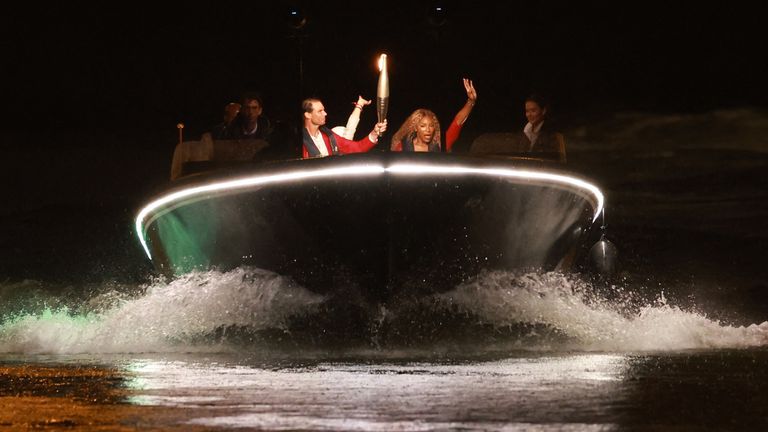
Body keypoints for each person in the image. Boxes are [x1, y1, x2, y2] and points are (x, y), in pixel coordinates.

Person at [390, 78, 477, 152]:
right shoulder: (402, 147)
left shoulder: (440, 145)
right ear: (416, 128)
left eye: (431, 126)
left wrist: (471, 101)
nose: (428, 130)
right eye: (423, 126)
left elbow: (458, 122)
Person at [301, 97, 387, 158]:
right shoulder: (299, 143)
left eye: (323, 110)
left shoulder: (329, 136)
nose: (325, 113)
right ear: (308, 115)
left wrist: (374, 133)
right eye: (320, 111)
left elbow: (357, 148)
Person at [520, 94, 566, 162]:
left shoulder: (551, 132)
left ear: (543, 111)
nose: (529, 114)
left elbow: (555, 158)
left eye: (533, 111)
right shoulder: (526, 129)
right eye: (527, 111)